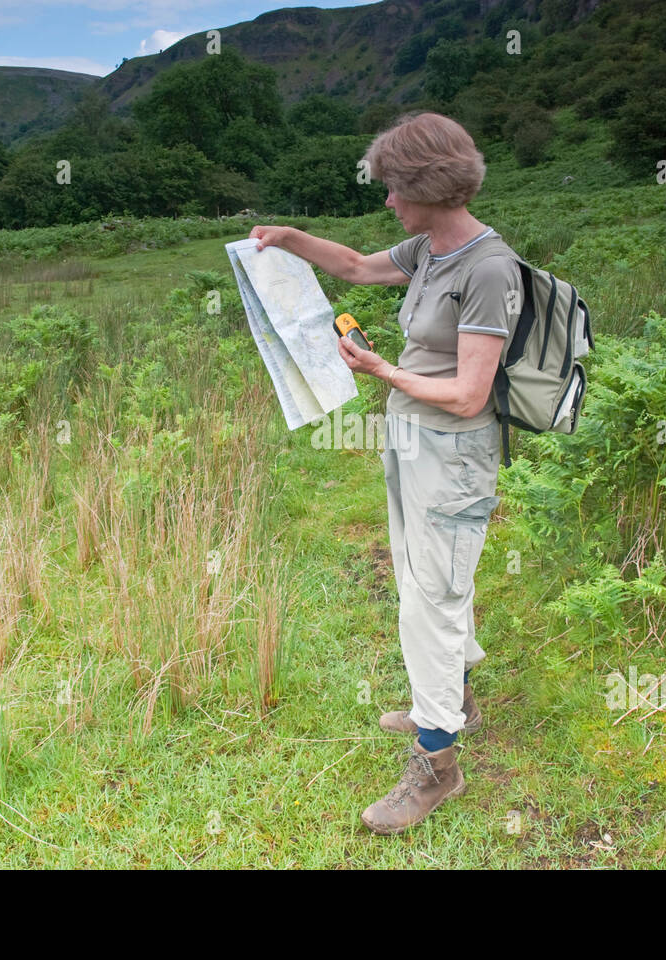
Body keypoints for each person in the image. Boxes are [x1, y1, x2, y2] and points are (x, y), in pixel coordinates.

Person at [249, 111, 522, 834]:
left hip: (453, 449)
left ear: (430, 186)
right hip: (411, 437)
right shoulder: (431, 248)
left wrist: (380, 368)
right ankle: (451, 699)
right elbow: (358, 266)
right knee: (421, 581)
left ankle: (438, 765)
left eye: (396, 189)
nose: (388, 202)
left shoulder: (488, 268)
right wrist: (287, 240)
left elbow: (469, 392)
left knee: (430, 596)